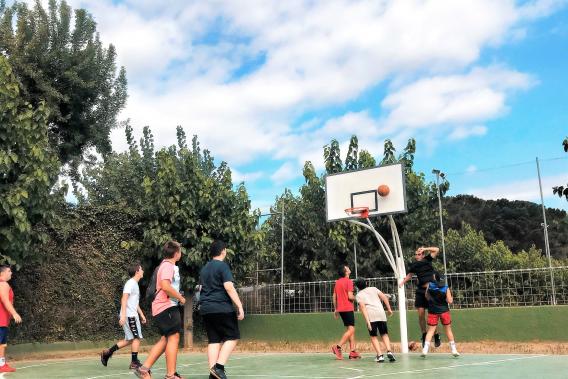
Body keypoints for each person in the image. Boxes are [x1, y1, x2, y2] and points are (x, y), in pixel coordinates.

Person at [135, 241, 186, 379]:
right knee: (174, 337)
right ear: (176, 254)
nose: (181, 253)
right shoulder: (168, 266)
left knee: (166, 339)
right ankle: (170, 375)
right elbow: (165, 286)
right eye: (180, 251)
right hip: (166, 306)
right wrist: (180, 298)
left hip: (162, 307)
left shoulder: (165, 265)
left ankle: (144, 369)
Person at [199, 240, 244, 379]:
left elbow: (200, 288)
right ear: (223, 251)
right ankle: (219, 368)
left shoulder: (204, 268)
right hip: (221, 307)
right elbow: (229, 287)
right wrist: (240, 306)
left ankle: (213, 374)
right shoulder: (222, 266)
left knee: (214, 340)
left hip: (206, 308)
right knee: (232, 337)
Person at [101, 262, 147, 369]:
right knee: (136, 338)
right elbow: (124, 299)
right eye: (141, 269)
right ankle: (134, 362)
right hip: (129, 316)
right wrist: (123, 316)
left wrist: (142, 314)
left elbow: (134, 303)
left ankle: (107, 353)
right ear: (137, 271)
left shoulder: (135, 284)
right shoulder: (130, 283)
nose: (143, 271)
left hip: (132, 315)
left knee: (129, 340)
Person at [399, 246, 441, 347]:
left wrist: (425, 249)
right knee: (421, 314)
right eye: (416, 254)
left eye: (418, 254)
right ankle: (424, 334)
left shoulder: (427, 259)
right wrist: (402, 282)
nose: (416, 256)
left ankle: (436, 335)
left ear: (422, 255)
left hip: (430, 290)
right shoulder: (415, 265)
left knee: (432, 315)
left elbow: (437, 249)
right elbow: (410, 275)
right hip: (420, 291)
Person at [354, 278, 395, 363]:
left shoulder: (359, 295)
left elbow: (363, 308)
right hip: (381, 313)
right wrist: (389, 309)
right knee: (384, 334)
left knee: (373, 336)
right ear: (366, 283)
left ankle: (380, 356)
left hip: (371, 316)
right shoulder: (374, 288)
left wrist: (368, 322)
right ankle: (389, 351)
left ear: (357, 287)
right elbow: (384, 297)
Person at [421, 273, 460, 358]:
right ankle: (454, 350)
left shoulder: (430, 285)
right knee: (448, 330)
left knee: (431, 330)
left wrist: (432, 301)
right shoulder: (445, 287)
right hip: (444, 311)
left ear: (435, 277)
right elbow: (450, 301)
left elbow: (426, 296)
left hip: (432, 311)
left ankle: (425, 350)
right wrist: (450, 298)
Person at [331, 265, 360, 360]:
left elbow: (334, 296)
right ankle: (338, 347)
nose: (349, 268)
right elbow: (350, 297)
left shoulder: (337, 282)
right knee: (351, 330)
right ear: (346, 272)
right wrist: (359, 298)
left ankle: (353, 352)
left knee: (350, 329)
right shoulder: (349, 281)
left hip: (341, 309)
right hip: (348, 308)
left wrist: (335, 309)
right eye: (347, 268)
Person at [0, 265, 22, 373]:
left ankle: (2, 364)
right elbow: (5, 300)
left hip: (3, 321)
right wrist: (14, 313)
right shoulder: (3, 284)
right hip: (0, 320)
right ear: (2, 274)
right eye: (9, 271)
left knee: (2, 344)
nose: (11, 273)